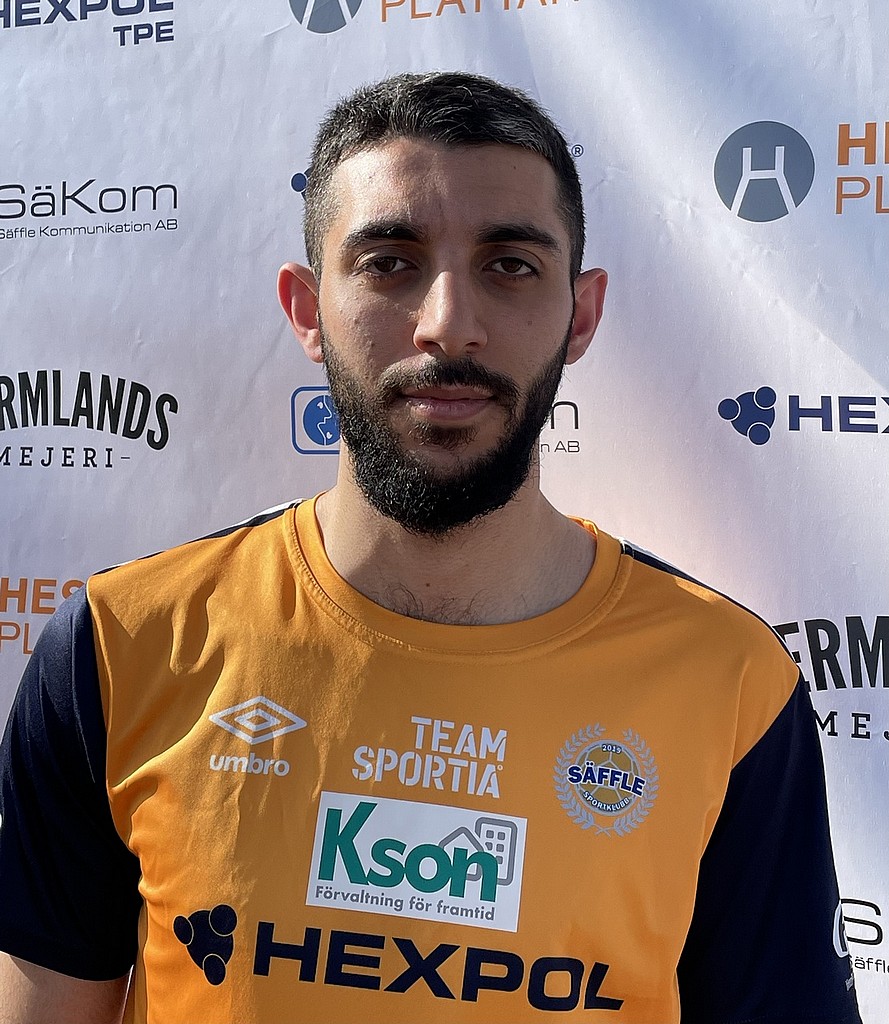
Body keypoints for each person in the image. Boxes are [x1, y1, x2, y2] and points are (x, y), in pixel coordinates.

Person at [0, 71, 861, 1024]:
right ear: (306, 311)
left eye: (509, 264)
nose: (448, 324)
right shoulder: (122, 646)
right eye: (388, 262)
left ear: (580, 316)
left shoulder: (729, 686)